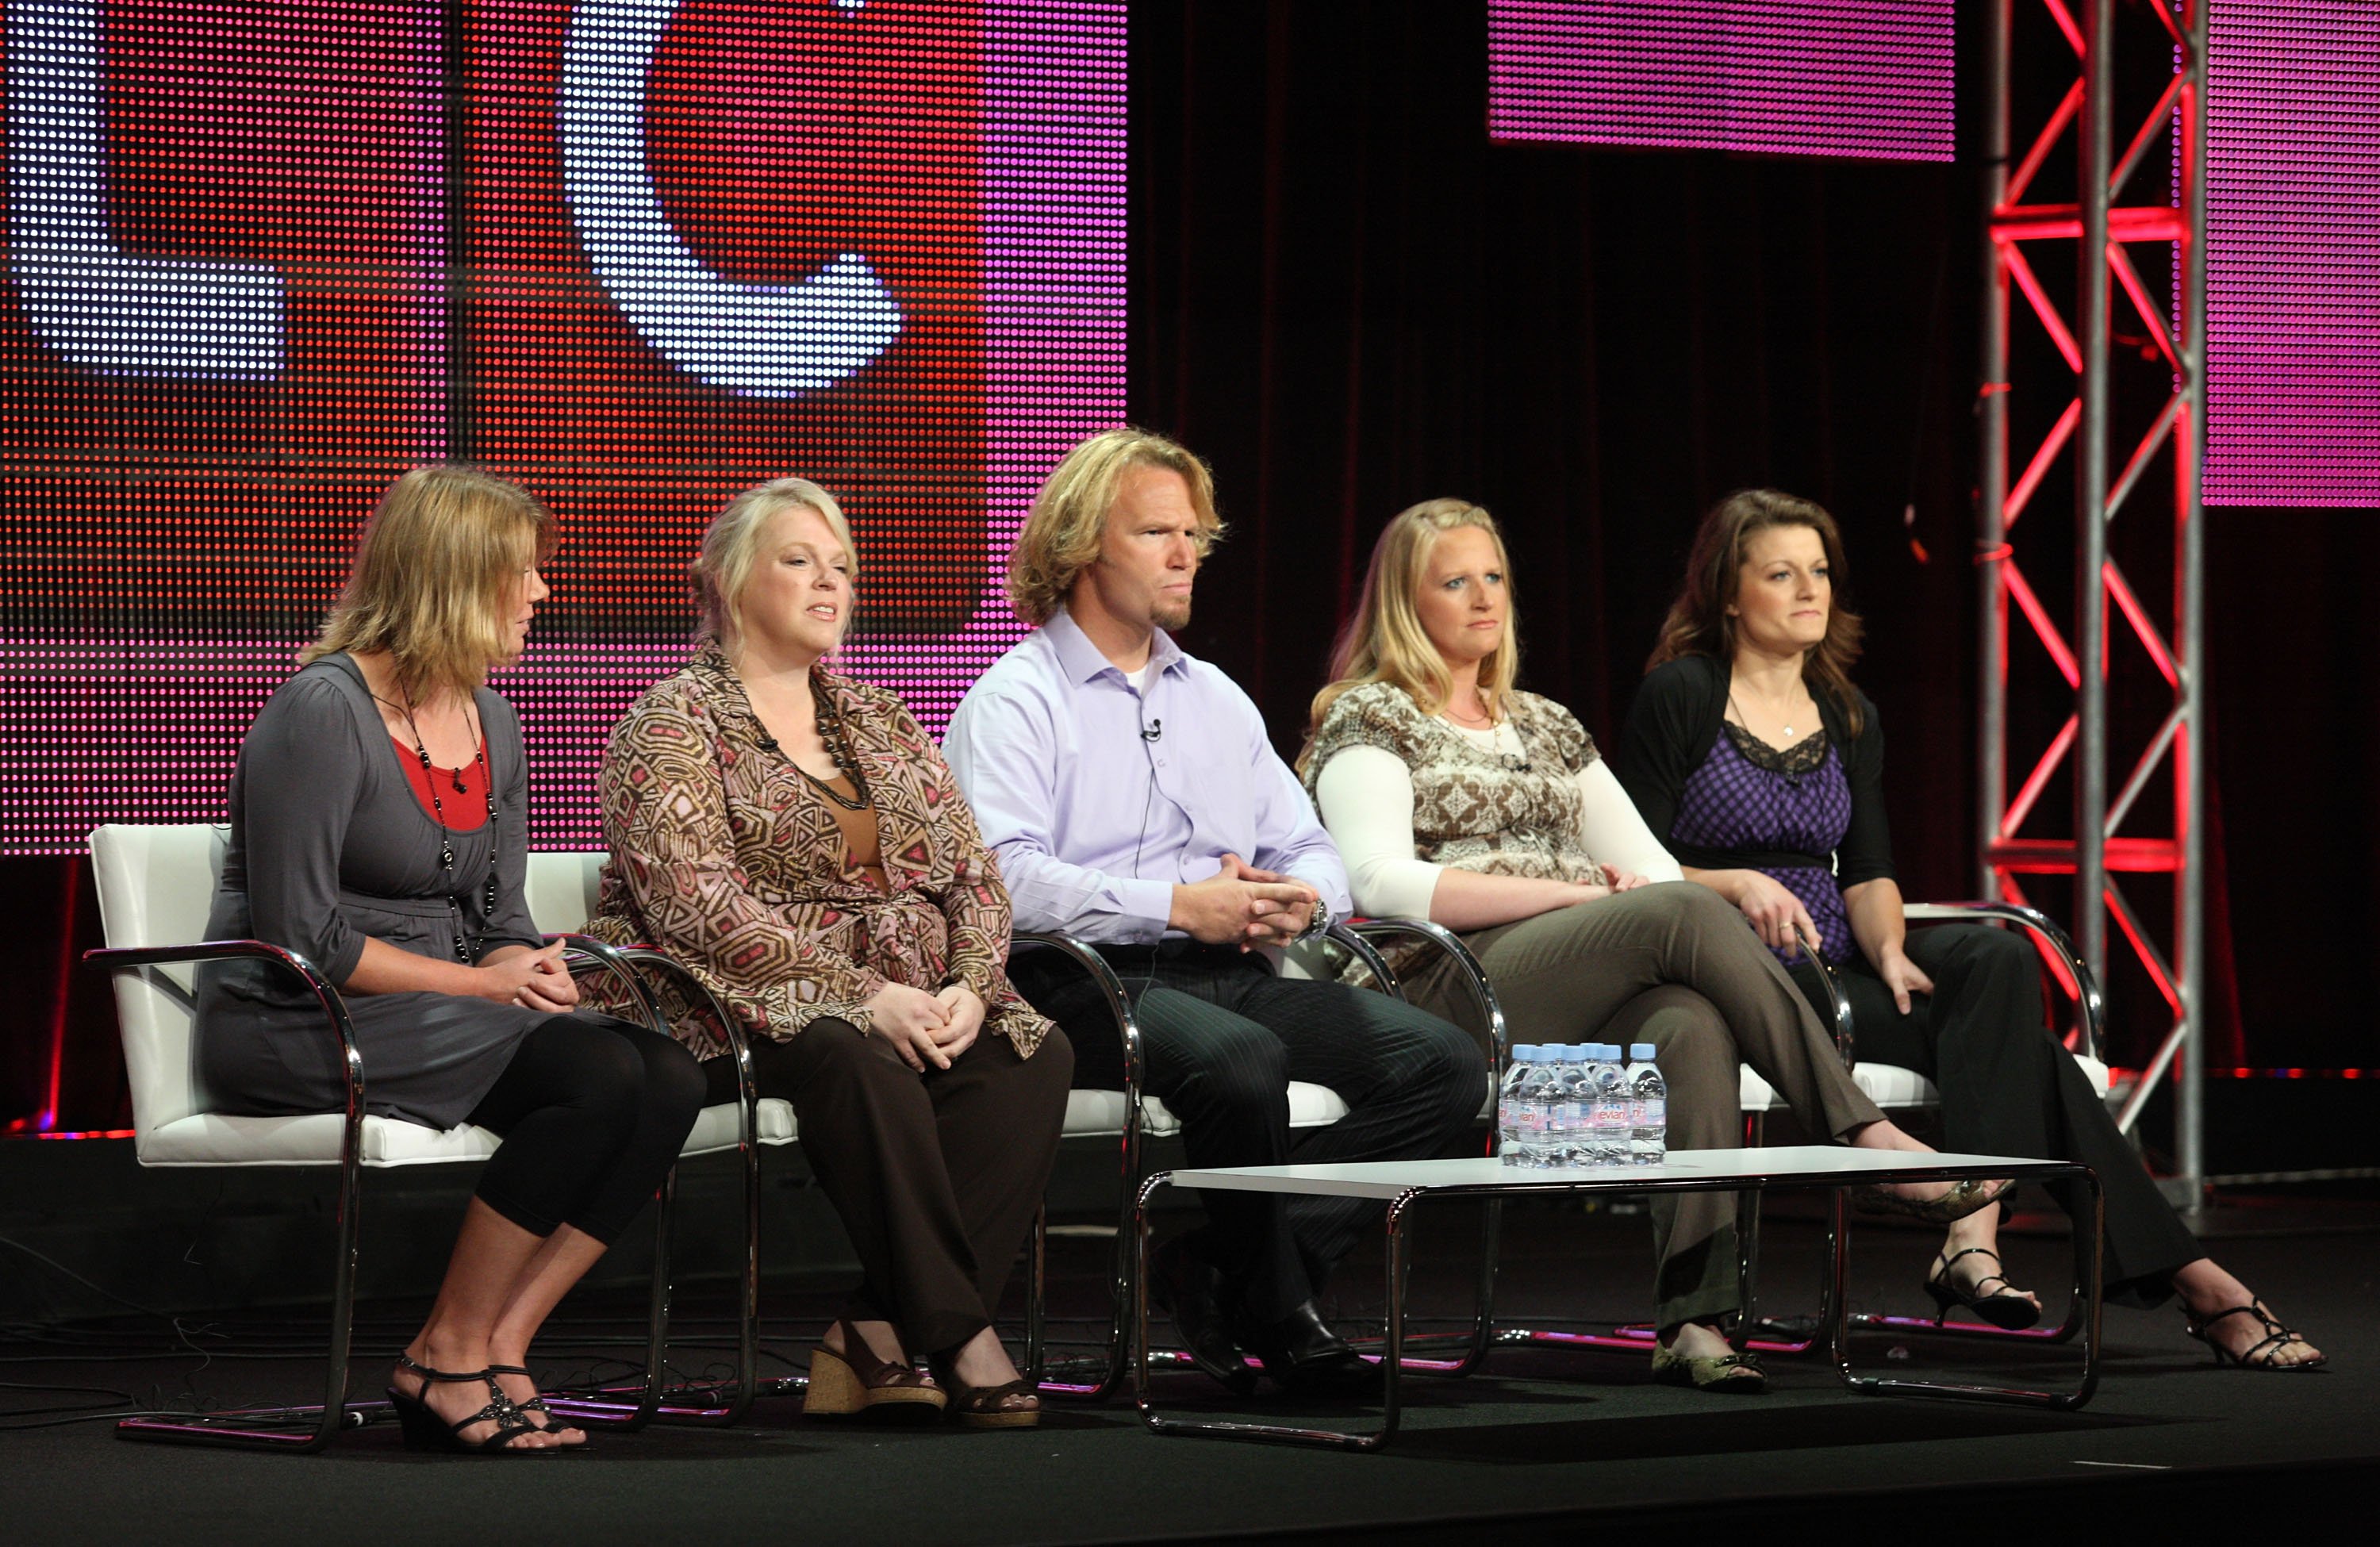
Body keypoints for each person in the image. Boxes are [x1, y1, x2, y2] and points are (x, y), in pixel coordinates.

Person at [1299, 497, 2006, 1394]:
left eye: (1495, 579)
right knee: (1680, 917)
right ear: (1406, 601)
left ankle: (1696, 1323)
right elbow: (1380, 886)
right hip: (1441, 992)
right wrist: (1573, 893)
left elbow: (1652, 868)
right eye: (1454, 582)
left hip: (1563, 989)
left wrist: (1613, 896)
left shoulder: (1549, 725)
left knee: (1688, 1021)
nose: (1484, 600)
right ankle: (1860, 1133)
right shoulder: (1373, 717)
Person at [1615, 486, 2324, 1372]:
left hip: (1840, 962)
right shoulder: (1681, 695)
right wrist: (1735, 884)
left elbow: (1870, 869)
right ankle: (2196, 1282)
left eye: (1821, 572)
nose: (1811, 591)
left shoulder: (1845, 709)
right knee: (2039, 1060)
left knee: (1990, 952)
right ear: (1728, 593)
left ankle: (1972, 1230)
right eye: (1781, 574)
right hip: (1738, 967)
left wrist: (1890, 953)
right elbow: (1628, 863)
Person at [942, 428, 1486, 1397]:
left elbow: (1313, 848)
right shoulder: (1017, 699)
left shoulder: (1216, 699)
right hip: (1075, 983)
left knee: (1441, 1062)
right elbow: (1004, 885)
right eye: (1157, 532)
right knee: (1243, 1064)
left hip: (1230, 973)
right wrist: (1180, 906)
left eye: (1194, 533)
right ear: (1080, 547)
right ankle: (1281, 1313)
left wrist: (1300, 898)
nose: (1187, 555)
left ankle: (1229, 1266)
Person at [194, 465, 706, 1454]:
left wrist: (531, 966)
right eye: (525, 573)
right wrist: (488, 982)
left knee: (667, 1075)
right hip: (298, 1017)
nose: (542, 594)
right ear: (457, 579)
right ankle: (445, 1349)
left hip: (443, 1007)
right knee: (596, 1076)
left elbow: (500, 914)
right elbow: (306, 939)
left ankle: (498, 1345)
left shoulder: (493, 721)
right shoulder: (320, 711)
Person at [583, 478, 1071, 1429]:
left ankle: (875, 1330)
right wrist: (860, 993)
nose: (829, 583)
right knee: (860, 1056)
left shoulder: (882, 720)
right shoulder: (672, 724)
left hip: (912, 987)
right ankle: (964, 1338)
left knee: (1031, 1050)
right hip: (733, 995)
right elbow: (697, 907)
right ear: (726, 581)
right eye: (799, 560)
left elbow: (973, 877)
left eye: (842, 565)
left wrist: (971, 987)